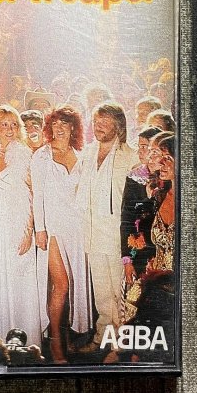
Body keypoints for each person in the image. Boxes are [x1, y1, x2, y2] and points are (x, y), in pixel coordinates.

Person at [75, 102, 137, 353]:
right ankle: (102, 336)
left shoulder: (130, 156)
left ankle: (121, 344)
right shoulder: (88, 152)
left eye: (105, 120)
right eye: (96, 120)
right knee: (101, 291)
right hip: (91, 232)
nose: (98, 125)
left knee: (119, 290)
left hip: (116, 234)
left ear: (118, 125)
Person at [31, 105, 91, 363]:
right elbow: (37, 196)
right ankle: (55, 342)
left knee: (75, 285)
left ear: (73, 127)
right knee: (61, 285)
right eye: (55, 123)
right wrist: (40, 230)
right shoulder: (42, 156)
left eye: (64, 123)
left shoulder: (82, 155)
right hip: (53, 228)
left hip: (77, 228)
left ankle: (68, 336)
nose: (59, 128)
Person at [0, 105, 42, 344]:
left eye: (14, 124)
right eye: (4, 124)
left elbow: (33, 195)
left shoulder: (25, 155)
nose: (9, 129)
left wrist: (28, 231)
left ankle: (25, 339)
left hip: (16, 226)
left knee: (19, 280)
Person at [121, 126, 162, 286]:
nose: (140, 151)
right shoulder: (134, 178)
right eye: (139, 146)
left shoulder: (168, 177)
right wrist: (127, 259)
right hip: (140, 251)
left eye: (145, 147)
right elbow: (127, 219)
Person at [147, 132, 176, 271]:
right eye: (162, 157)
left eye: (168, 158)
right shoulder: (159, 196)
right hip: (158, 277)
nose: (160, 162)